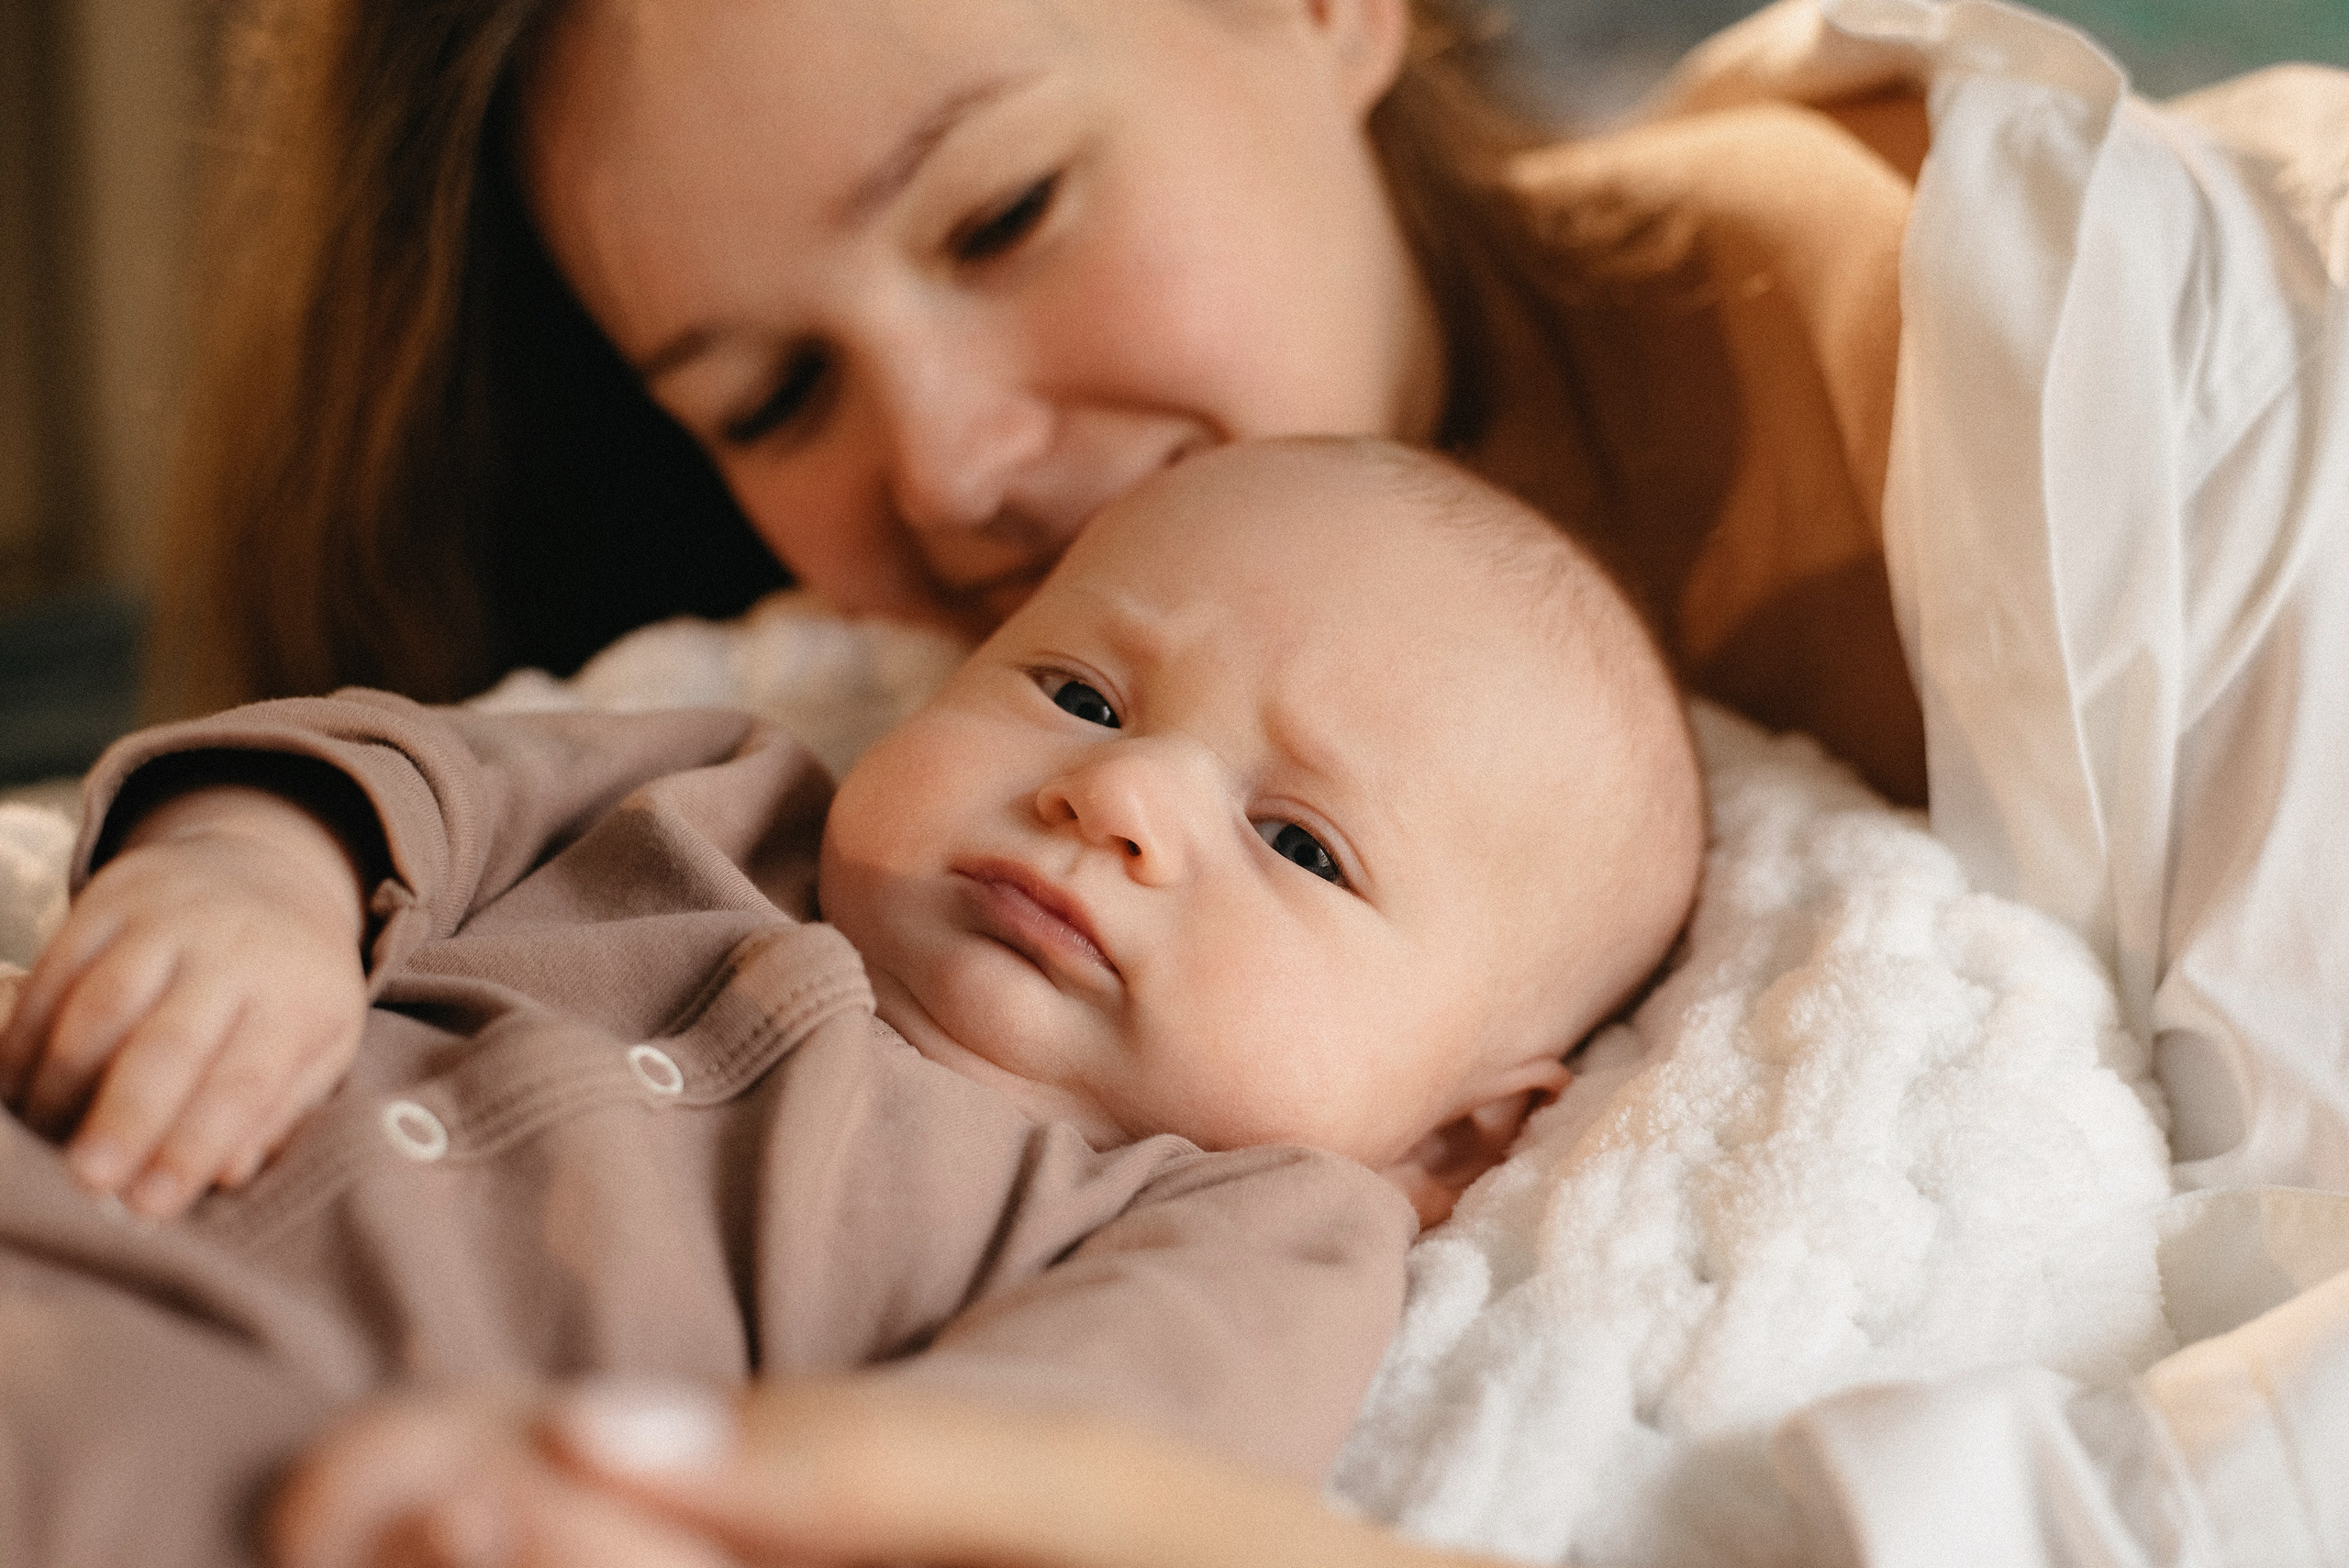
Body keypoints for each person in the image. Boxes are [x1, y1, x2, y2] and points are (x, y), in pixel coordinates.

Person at [109, 0, 2349, 1558]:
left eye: (1000, 212)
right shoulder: (781, 735)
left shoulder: (2224, 390)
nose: (949, 470)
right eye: (770, 395)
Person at [0, 439, 1705, 1566]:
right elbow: (394, 763)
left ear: (1457, 1138)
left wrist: (704, 1497)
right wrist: (251, 880)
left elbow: (1078, 1469)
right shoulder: (721, 790)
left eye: (1301, 844)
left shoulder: (1256, 1221)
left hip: (310, 1481)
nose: (1125, 795)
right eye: (1080, 691)